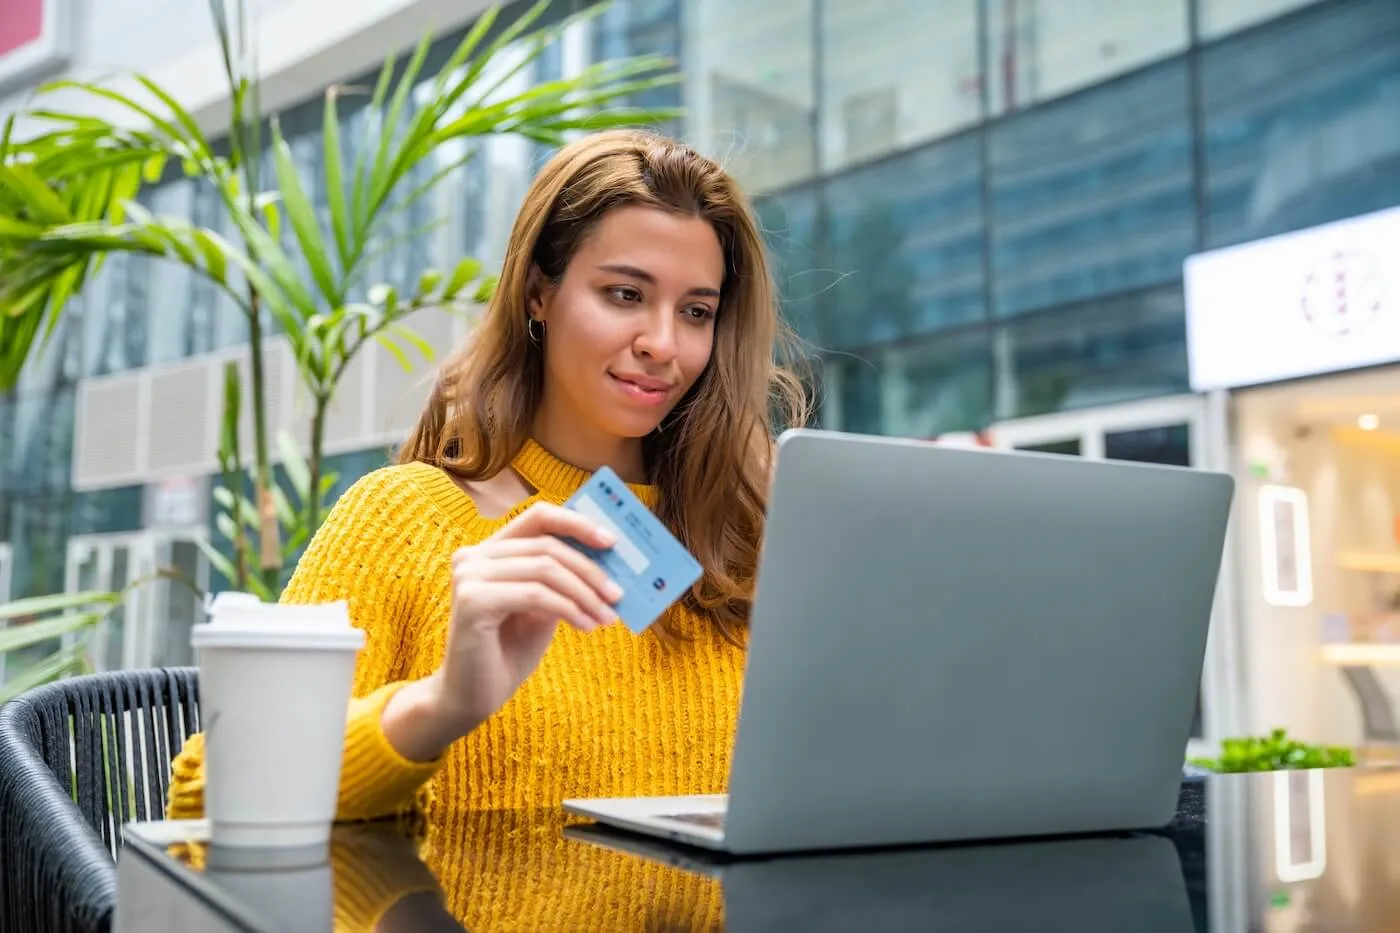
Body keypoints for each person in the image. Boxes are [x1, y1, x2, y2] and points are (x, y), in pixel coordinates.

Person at [166, 129, 811, 828]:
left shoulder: (747, 537)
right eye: (625, 294)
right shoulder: (405, 520)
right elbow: (202, 797)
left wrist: (789, 535)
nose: (662, 342)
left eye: (696, 312)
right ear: (539, 292)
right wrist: (442, 702)